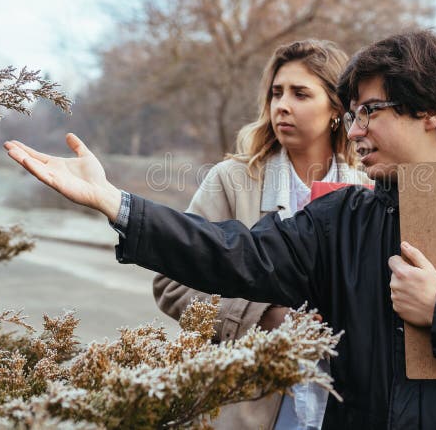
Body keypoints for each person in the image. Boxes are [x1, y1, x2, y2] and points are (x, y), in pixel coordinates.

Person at [4, 30, 436, 429]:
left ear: (432, 109)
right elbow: (231, 253)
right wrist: (117, 204)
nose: (354, 131)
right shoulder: (346, 220)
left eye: (371, 112)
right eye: (351, 113)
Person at [151, 39, 371, 430]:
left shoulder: (366, 189)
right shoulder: (232, 181)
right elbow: (172, 283)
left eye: (301, 93)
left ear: (337, 109)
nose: (282, 105)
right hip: (247, 406)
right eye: (276, 92)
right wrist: (267, 317)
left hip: (342, 403)